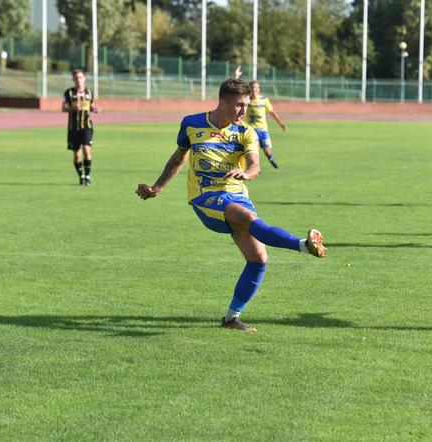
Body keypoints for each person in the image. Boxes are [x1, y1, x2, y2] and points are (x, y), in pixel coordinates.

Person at [135, 78, 326, 333]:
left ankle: (230, 318)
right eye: (238, 105)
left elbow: (255, 165)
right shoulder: (192, 123)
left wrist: (247, 173)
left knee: (258, 260)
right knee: (246, 217)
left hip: (237, 194)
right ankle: (303, 246)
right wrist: (157, 187)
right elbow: (179, 157)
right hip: (206, 197)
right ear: (222, 102)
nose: (243, 111)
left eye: (246, 105)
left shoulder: (246, 132)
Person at [62, 69, 99, 186]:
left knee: (87, 151)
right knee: (77, 154)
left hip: (86, 127)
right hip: (73, 128)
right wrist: (72, 108)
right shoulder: (69, 93)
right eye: (76, 78)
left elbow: (91, 105)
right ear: (73, 80)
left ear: (84, 78)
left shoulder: (89, 92)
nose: (78, 80)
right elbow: (63, 108)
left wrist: (95, 109)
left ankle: (87, 176)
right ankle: (81, 176)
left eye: (80, 77)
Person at [246, 80, 288, 169]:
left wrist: (281, 124)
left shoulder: (264, 100)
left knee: (267, 151)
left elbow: (272, 112)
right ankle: (255, 166)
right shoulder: (246, 100)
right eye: (252, 87)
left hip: (263, 129)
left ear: (259, 89)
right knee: (255, 149)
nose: (254, 89)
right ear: (249, 89)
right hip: (252, 129)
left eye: (256, 87)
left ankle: (270, 158)